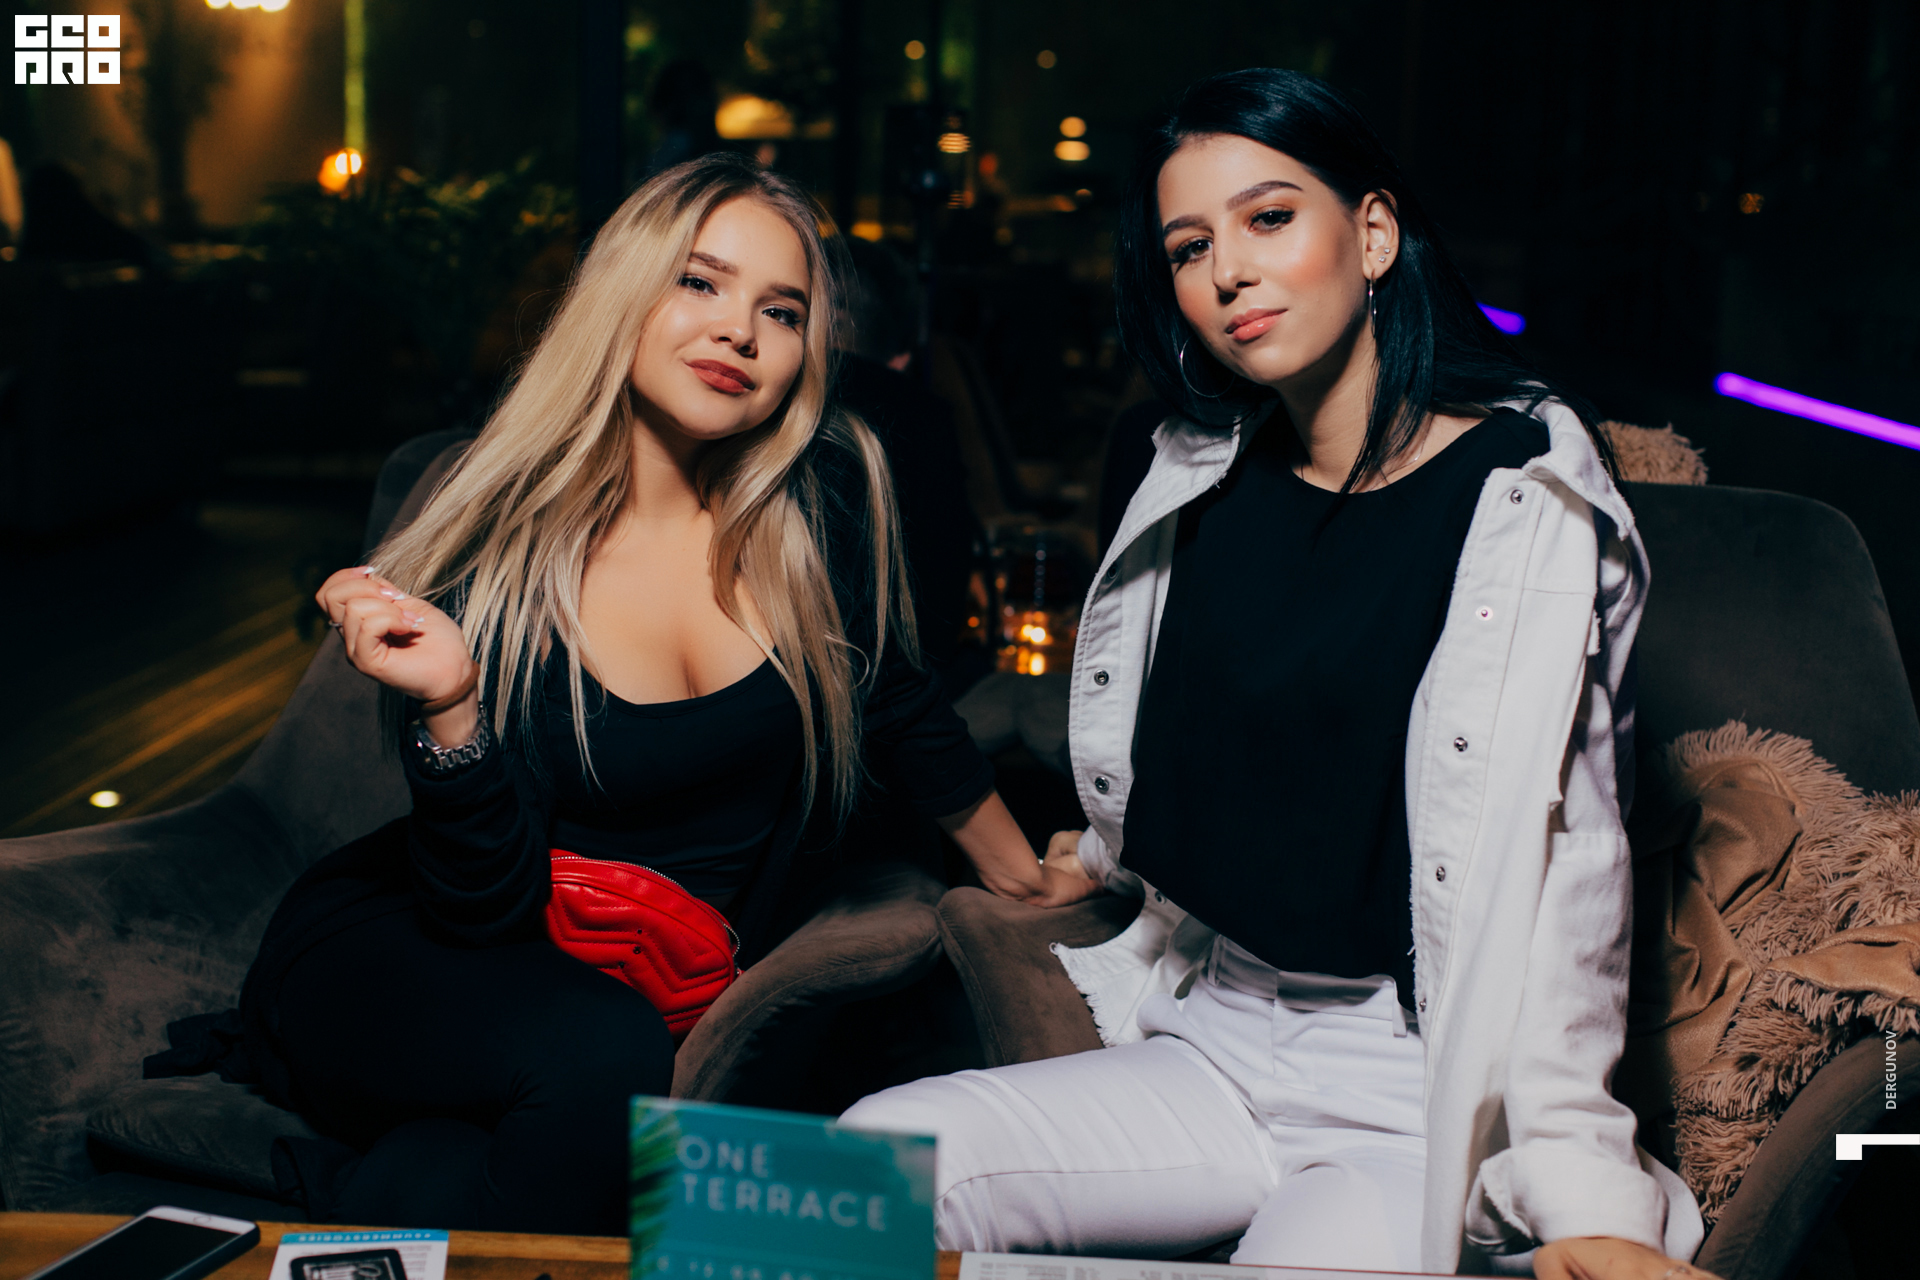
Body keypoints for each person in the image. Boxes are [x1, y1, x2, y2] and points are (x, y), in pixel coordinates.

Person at [841, 69, 1710, 1279]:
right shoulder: (1200, 475)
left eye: (1268, 218)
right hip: (1214, 1035)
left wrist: (1587, 1197)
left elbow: (1574, 865)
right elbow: (1224, 749)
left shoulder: (1523, 499)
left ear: (1373, 232)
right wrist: (1101, 852)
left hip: (1408, 1084)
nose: (1228, 273)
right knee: (851, 1174)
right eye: (1190, 247)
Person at [195, 154, 1098, 1236]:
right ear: (623, 296)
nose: (739, 331)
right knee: (610, 1056)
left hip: (636, 994)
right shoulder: (500, 553)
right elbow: (479, 911)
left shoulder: (820, 507)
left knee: (759, 1147)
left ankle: (386, 1191)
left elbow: (902, 708)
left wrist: (1020, 872)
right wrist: (454, 706)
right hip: (420, 956)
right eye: (698, 282)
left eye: (781, 310)